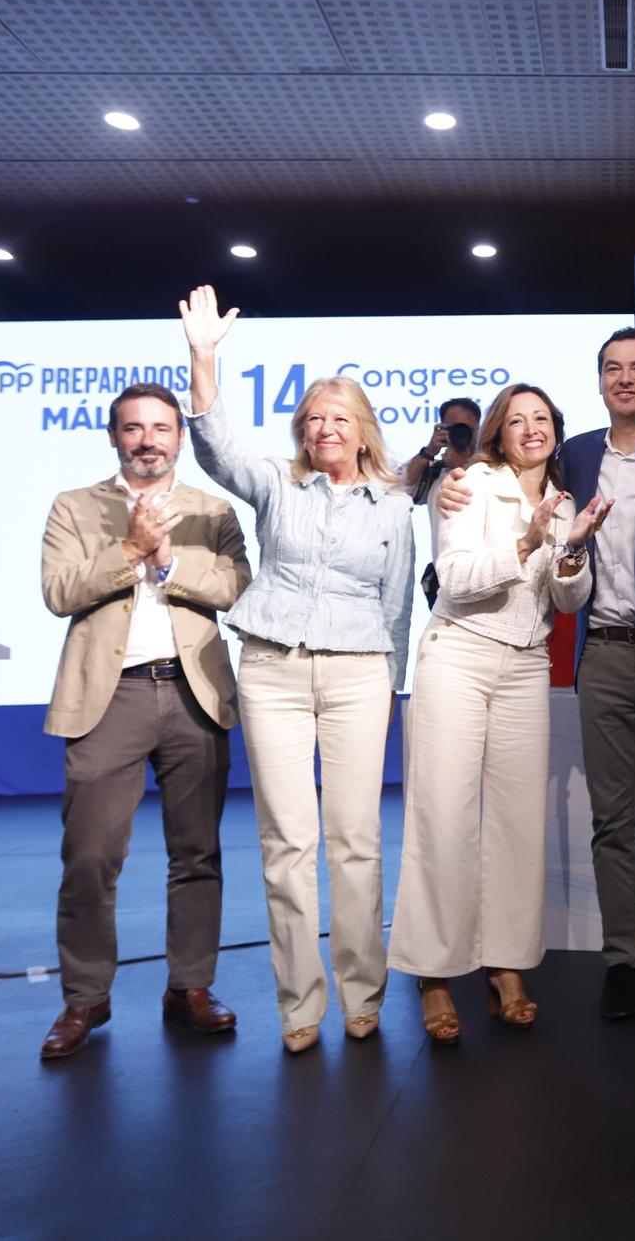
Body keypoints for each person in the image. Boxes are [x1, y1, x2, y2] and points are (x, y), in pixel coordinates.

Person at [441, 328, 635, 1028]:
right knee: (613, 823)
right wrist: (449, 486)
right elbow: (506, 479)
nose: (626, 378)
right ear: (600, 381)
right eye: (613, 368)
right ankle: (622, 963)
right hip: (603, 657)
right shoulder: (573, 455)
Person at [178, 285, 416, 1055]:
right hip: (272, 670)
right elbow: (215, 448)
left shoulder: (391, 505)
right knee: (286, 842)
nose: (324, 428)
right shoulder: (276, 483)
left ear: (363, 430)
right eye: (314, 417)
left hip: (358, 673)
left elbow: (398, 602)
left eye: (339, 417)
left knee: (355, 839)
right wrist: (204, 356)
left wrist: (395, 685)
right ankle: (299, 1002)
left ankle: (361, 991)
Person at [387, 385, 611, 1041]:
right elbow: (454, 578)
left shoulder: (563, 501)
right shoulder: (470, 483)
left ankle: (504, 963)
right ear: (498, 433)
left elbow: (567, 601)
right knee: (444, 815)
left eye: (542, 418)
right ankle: (433, 971)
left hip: (525, 664)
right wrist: (525, 541)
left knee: (517, 822)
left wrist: (570, 549)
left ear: (556, 430)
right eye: (517, 420)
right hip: (458, 654)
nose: (531, 428)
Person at [37, 382, 252, 1059]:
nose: (149, 439)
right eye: (134, 428)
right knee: (92, 855)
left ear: (180, 438)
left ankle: (190, 985)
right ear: (113, 436)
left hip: (193, 692)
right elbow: (58, 591)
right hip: (110, 695)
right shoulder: (74, 506)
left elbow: (235, 588)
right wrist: (129, 549)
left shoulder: (213, 509)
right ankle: (85, 996)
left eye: (161, 427)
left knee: (197, 853)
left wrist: (168, 560)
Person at [403, 396, 482, 502]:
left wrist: (460, 465)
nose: (460, 433)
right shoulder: (438, 471)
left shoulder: (492, 466)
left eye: (466, 428)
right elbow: (400, 488)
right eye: (454, 428)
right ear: (442, 428)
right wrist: (429, 452)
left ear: (478, 429)